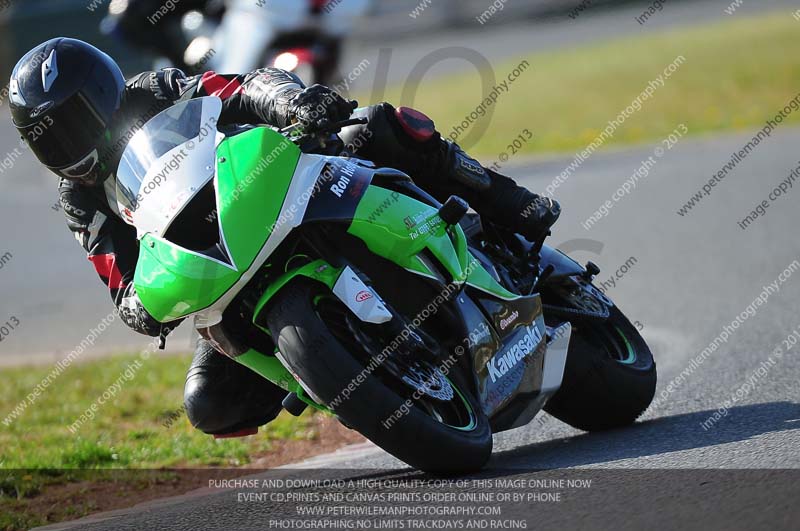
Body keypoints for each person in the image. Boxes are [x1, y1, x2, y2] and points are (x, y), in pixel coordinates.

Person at [8, 38, 560, 437]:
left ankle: (505, 201)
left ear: (104, 89)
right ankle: (333, 371)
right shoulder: (79, 199)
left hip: (281, 184)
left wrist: (293, 104)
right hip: (219, 272)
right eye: (50, 136)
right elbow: (118, 279)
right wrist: (143, 309)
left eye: (76, 118)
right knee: (210, 405)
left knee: (374, 126)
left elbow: (239, 87)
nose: (70, 142)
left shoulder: (154, 90)